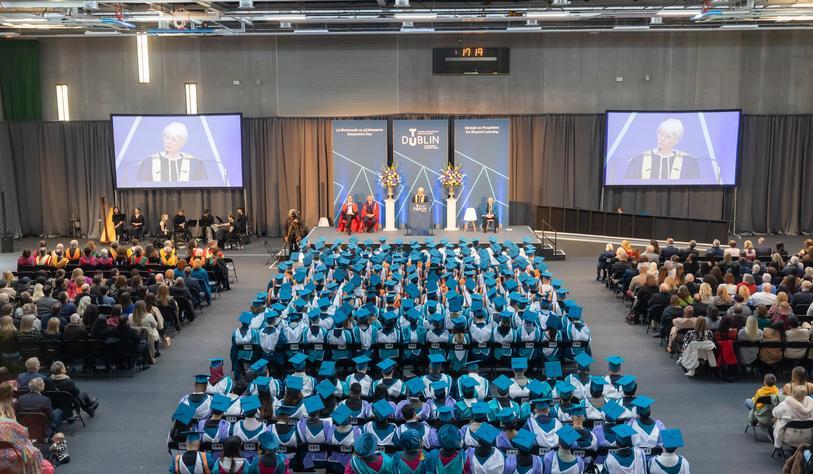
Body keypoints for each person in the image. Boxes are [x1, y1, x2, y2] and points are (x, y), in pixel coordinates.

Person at [623, 118, 699, 181]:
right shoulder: (639, 159)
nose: (662, 139)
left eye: (667, 137)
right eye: (660, 134)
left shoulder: (688, 162)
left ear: (676, 141)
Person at [137, 122, 208, 184]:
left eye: (173, 140)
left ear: (182, 144)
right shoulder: (149, 162)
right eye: (166, 138)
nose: (168, 142)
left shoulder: (194, 163)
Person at [772, 386, 813, 451]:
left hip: (790, 437)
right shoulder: (811, 404)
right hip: (809, 438)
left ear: (792, 393)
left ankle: (778, 447)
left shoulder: (784, 405)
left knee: (778, 420)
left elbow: (774, 413)